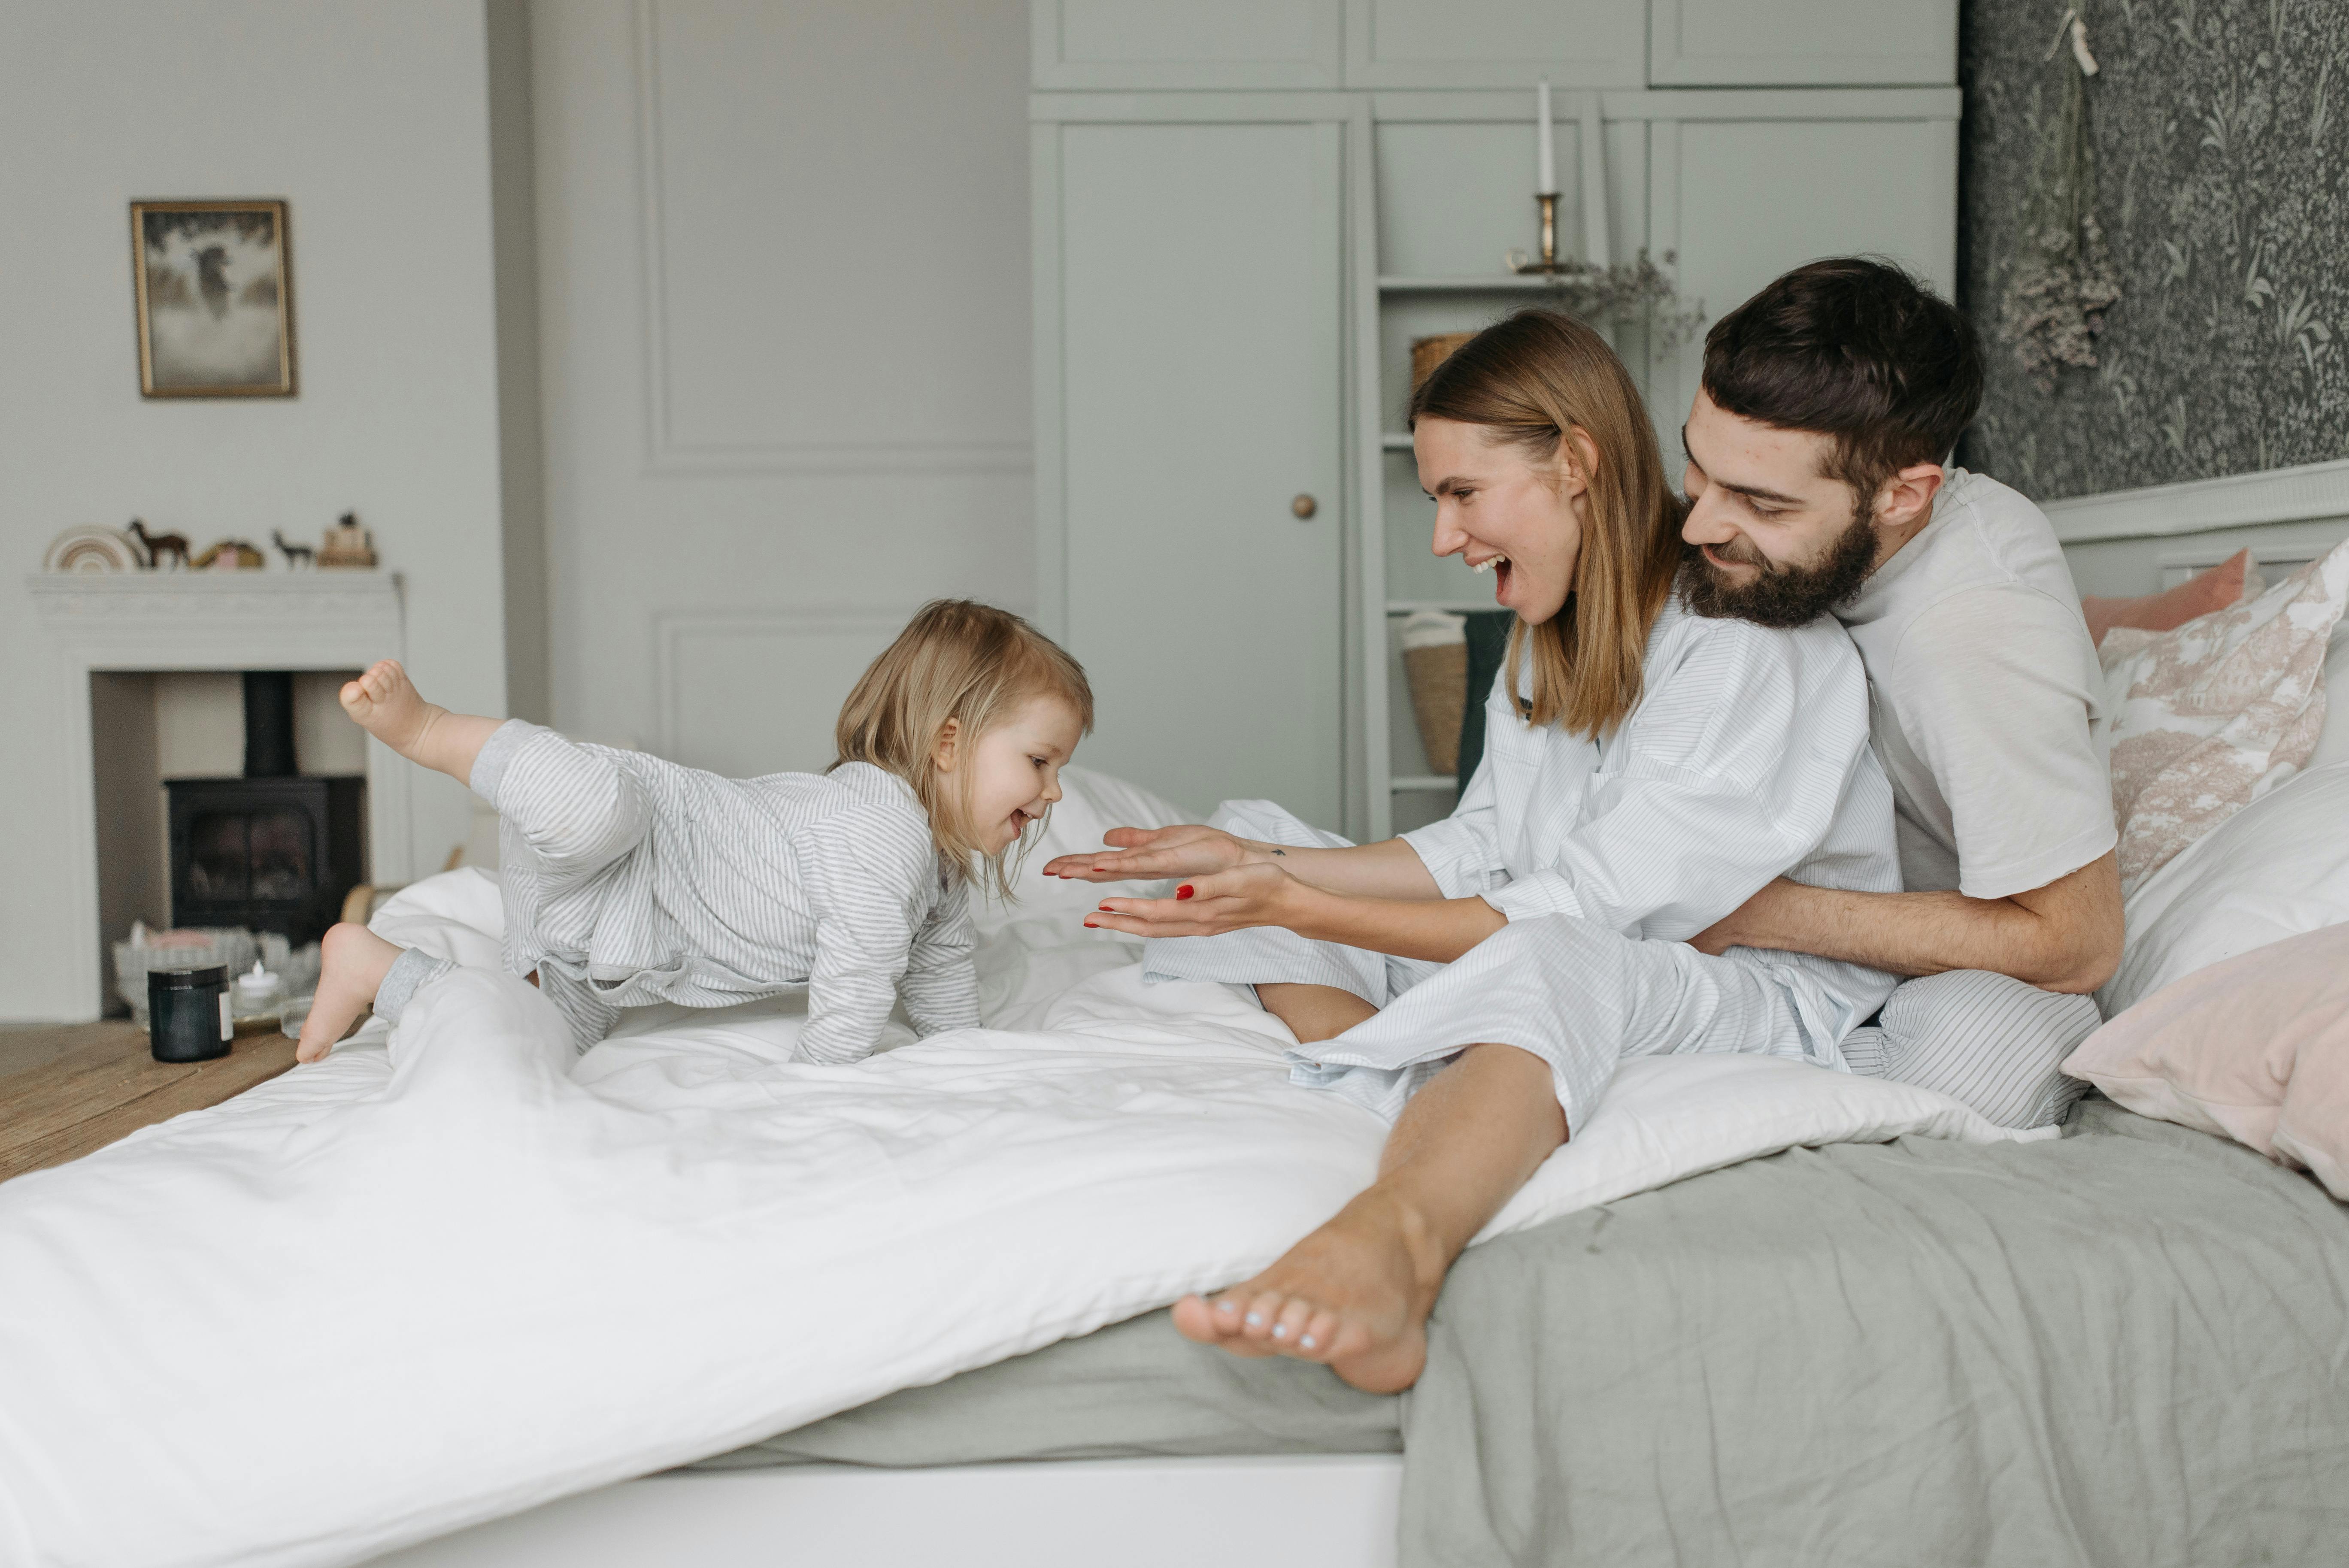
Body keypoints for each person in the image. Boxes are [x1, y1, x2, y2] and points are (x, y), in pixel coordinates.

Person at [1044, 308, 1902, 1392]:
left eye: (1462, 495)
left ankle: (1393, 1242)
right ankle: (1428, 1079)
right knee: (1254, 831)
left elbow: (1583, 910)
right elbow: (1489, 843)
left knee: (1540, 958)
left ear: (1577, 464)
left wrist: (1293, 907)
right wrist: (1261, 869)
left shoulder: (1743, 645)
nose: (1447, 537)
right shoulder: (1553, 632)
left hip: (1749, 983)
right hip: (1566, 934)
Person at [1677, 257, 2121, 1130]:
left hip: (1946, 965)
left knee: (1981, 1059)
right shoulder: (1845, 529)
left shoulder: (1972, 638)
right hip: (1787, 911)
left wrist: (1750, 913)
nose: (1697, 524)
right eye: (1698, 470)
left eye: (1759, 503)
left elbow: (2077, 941)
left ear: (1903, 496)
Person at [295, 600, 1091, 1065]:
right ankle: (430, 728)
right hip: (641, 842)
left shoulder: (940, 877)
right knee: (592, 802)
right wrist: (815, 1097)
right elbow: (849, 1003)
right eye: (1038, 761)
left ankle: (374, 966)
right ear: (948, 744)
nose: (1053, 793)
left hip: (619, 950)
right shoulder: (886, 831)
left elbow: (948, 1013)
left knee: (518, 1044)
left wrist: (981, 1070)